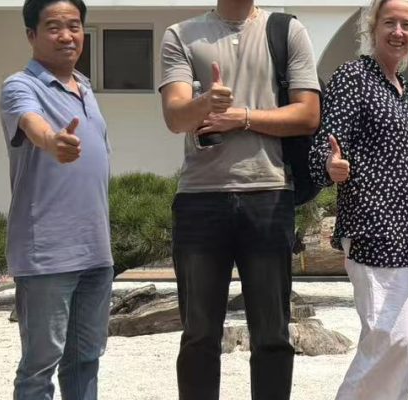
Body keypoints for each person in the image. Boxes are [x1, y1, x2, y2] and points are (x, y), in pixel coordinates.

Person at [157, 0, 322, 397]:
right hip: (200, 197)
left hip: (268, 193)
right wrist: (205, 104)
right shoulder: (181, 34)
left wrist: (242, 117)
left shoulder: (286, 31)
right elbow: (175, 117)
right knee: (199, 334)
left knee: (272, 333)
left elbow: (308, 114)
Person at [308, 0, 408, 398]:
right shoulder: (354, 76)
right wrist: (330, 165)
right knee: (388, 338)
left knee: (403, 347)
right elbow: (324, 145)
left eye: (406, 24)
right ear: (373, 26)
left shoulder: (404, 90)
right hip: (372, 225)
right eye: (390, 22)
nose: (398, 31)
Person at [0, 1, 112, 399]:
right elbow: (33, 124)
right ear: (31, 35)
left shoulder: (85, 88)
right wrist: (51, 141)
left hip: (95, 251)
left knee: (86, 358)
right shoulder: (20, 86)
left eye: (74, 26)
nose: (66, 36)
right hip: (47, 253)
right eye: (53, 27)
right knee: (40, 365)